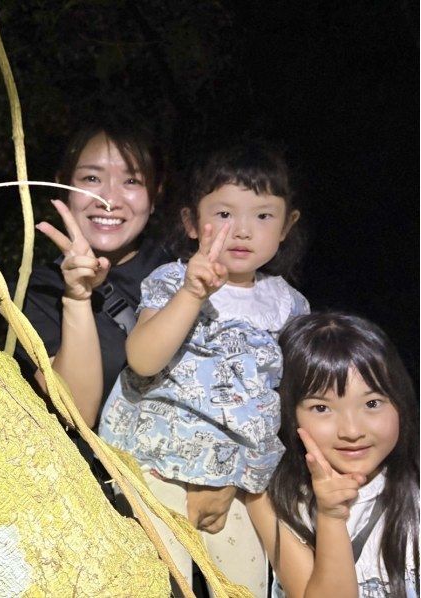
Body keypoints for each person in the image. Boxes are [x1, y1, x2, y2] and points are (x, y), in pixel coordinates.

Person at [99, 140, 308, 596]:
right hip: (155, 471)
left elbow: (280, 406)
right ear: (192, 223)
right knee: (153, 584)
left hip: (232, 484)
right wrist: (193, 295)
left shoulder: (290, 307)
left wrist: (243, 479)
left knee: (245, 587)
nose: (243, 231)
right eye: (225, 214)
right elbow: (143, 358)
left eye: (263, 215)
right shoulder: (175, 279)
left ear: (286, 226)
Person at [15, 121, 171, 500]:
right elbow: (75, 414)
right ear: (63, 187)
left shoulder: (183, 274)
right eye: (91, 178)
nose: (108, 199)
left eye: (131, 181)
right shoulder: (40, 289)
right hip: (103, 502)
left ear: (155, 194)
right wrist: (77, 297)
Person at [247, 312, 419, 598]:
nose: (352, 430)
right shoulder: (272, 498)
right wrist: (330, 515)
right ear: (288, 414)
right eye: (321, 408)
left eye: (372, 403)